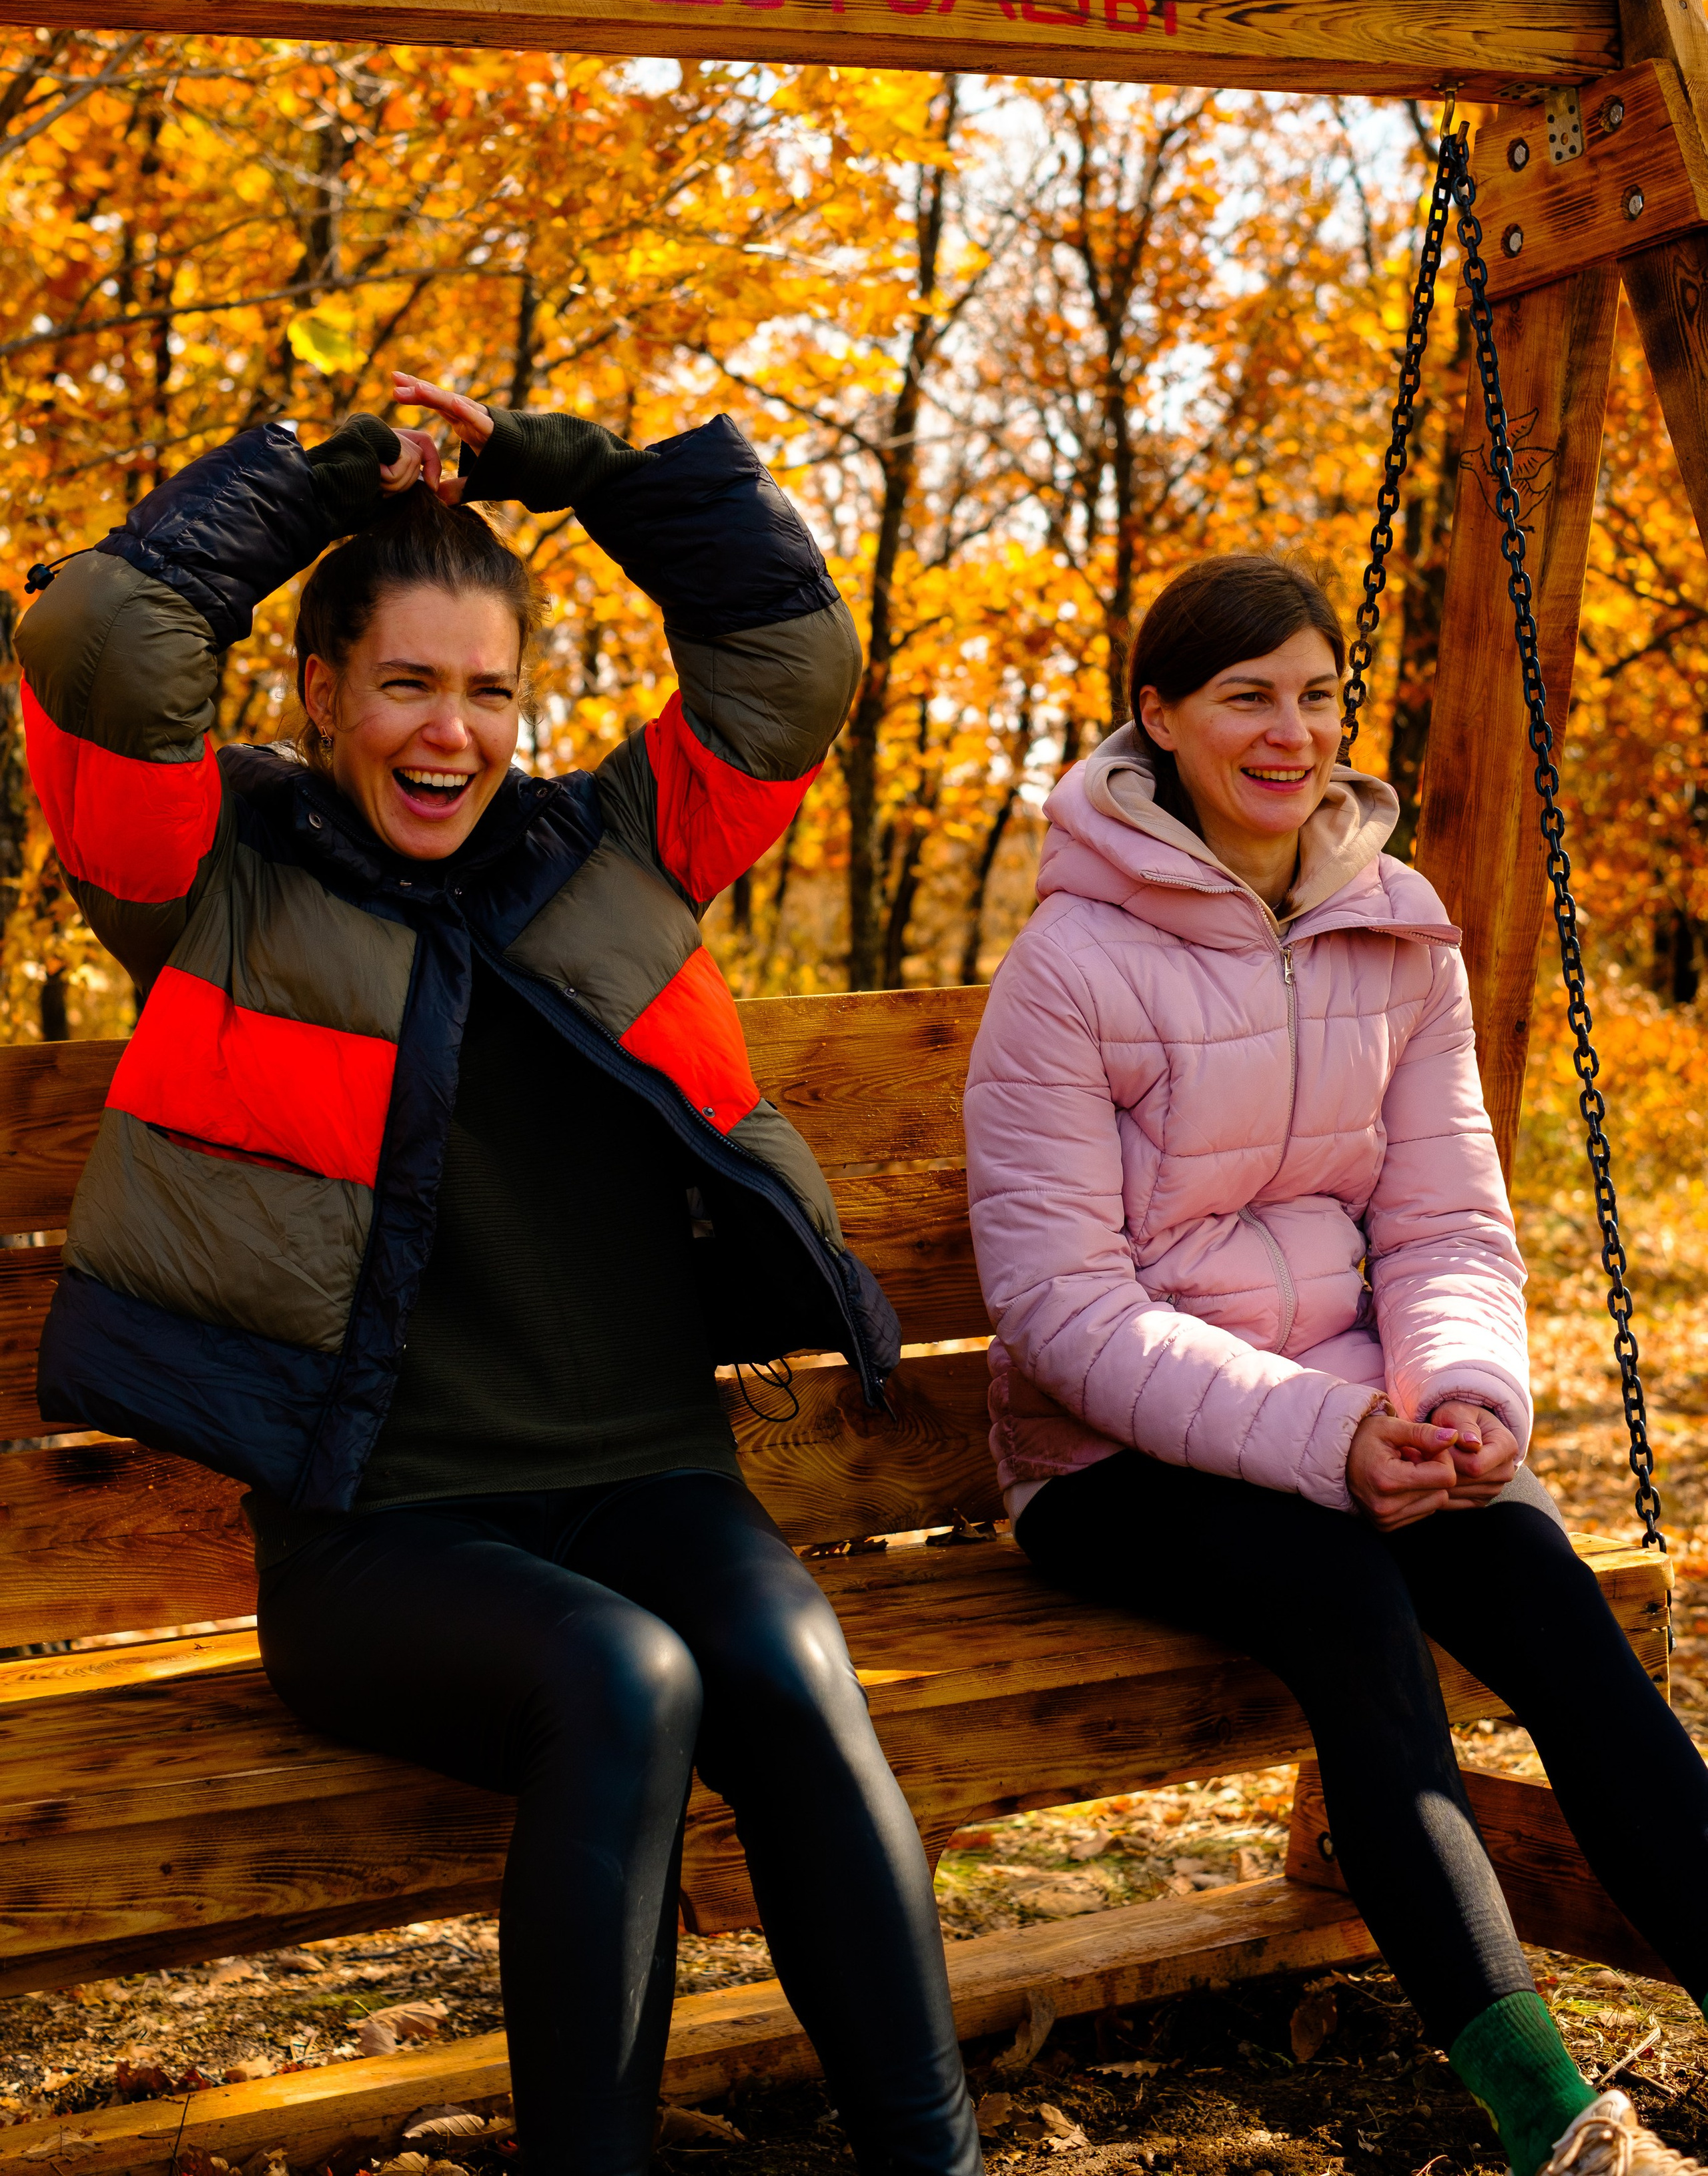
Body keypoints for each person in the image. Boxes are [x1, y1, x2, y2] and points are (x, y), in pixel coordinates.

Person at [18, 378, 982, 2176]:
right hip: (381, 1540)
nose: (450, 732)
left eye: (489, 689)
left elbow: (795, 662)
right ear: (320, 696)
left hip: (648, 1484)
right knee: (627, 1683)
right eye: (405, 683)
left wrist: (580, 470)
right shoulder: (216, 876)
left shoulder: (609, 853)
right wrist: (321, 489)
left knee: (783, 1663)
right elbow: (96, 634)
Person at [963, 550, 1708, 2176]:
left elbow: (1448, 1222)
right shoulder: (1070, 969)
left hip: (1358, 1415)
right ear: (1155, 720)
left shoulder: (1397, 933)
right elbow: (1060, 1305)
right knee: (1345, 1601)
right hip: (1109, 1463)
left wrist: (1459, 1396)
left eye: (1313, 694)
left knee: (1548, 1602)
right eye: (1244, 698)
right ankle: (1544, 2114)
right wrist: (1323, 1433)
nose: (1289, 732)